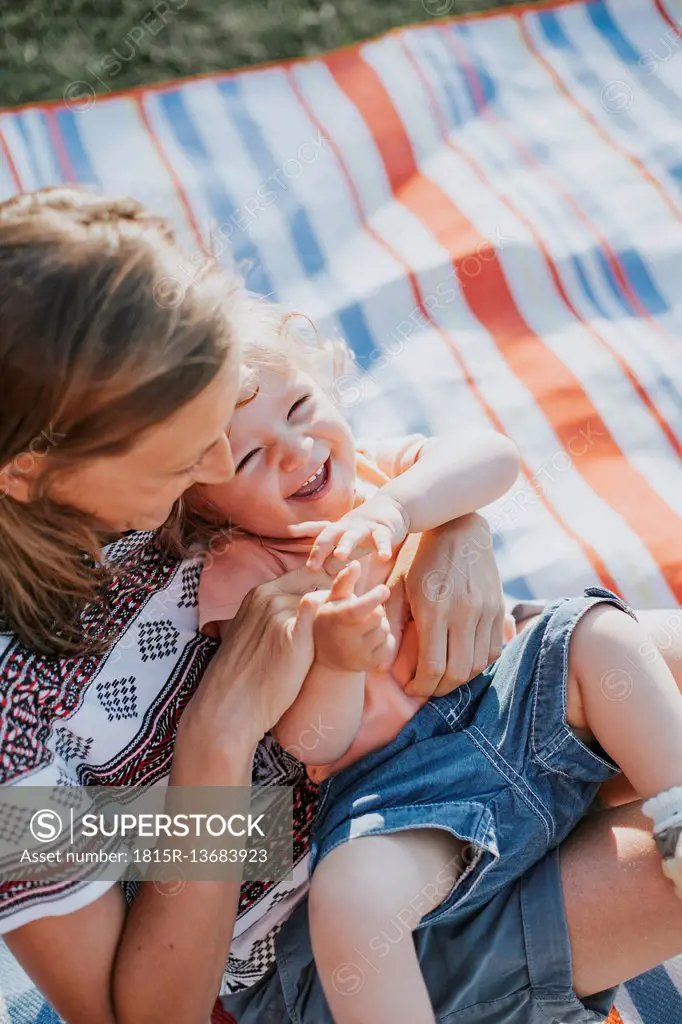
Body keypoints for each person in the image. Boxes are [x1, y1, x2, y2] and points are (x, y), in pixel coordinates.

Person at [0, 187, 679, 1024]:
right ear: (30, 472)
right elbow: (151, 1018)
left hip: (456, 708)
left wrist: (448, 530)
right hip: (338, 914)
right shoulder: (12, 739)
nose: (216, 454)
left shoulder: (141, 485)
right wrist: (218, 738)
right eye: (186, 440)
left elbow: (356, 477)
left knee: (642, 660)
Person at [195, 332, 682, 1023]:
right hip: (399, 791)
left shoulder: (378, 474)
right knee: (353, 901)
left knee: (601, 634)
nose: (294, 450)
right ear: (209, 508)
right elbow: (309, 738)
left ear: (331, 389)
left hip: (508, 701)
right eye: (248, 456)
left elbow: (494, 457)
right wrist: (336, 662)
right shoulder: (244, 574)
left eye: (302, 406)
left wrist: (409, 510)